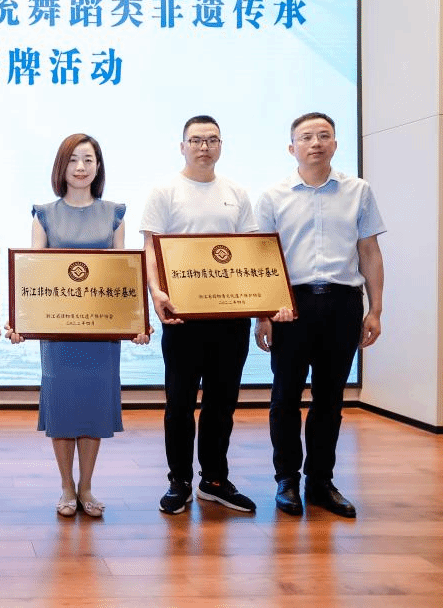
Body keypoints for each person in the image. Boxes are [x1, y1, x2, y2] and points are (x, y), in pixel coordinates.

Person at [6, 133, 149, 518]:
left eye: (88, 159)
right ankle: (66, 486)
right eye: (73, 160)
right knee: (63, 407)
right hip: (59, 332)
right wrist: (20, 322)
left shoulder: (114, 214)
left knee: (93, 406)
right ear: (61, 167)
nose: (81, 167)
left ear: (98, 167)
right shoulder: (43, 214)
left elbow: (122, 275)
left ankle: (86, 485)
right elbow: (34, 274)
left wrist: (136, 322)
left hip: (100, 332)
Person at [255, 112, 385, 518]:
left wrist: (376, 309)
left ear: (335, 144)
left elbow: (369, 251)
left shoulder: (358, 191)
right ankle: (286, 480)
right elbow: (261, 259)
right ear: (292, 147)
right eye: (307, 137)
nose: (316, 143)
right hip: (290, 306)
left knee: (330, 398)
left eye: (324, 135)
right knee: (285, 397)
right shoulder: (272, 196)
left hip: (343, 303)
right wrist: (262, 315)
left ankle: (321, 481)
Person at [140, 115, 266, 515]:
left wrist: (262, 310)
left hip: (231, 316)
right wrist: (156, 292)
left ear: (221, 146)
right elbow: (150, 248)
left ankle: (214, 479)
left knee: (221, 402)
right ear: (182, 146)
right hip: (182, 315)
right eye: (196, 140)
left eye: (212, 139)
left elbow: (252, 252)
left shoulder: (237, 193)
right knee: (179, 402)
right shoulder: (164, 191)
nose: (204, 147)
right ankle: (179, 481)